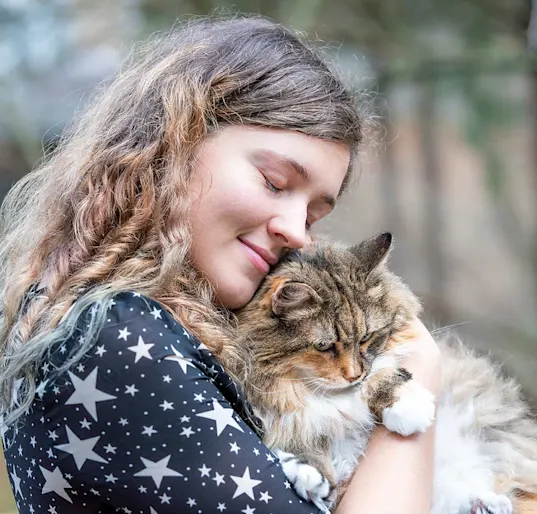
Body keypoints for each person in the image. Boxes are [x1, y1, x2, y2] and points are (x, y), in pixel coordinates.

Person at [0, 16, 443, 514]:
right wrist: (416, 372)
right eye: (275, 182)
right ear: (176, 143)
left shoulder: (131, 324)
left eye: (315, 214)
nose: (297, 231)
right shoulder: (118, 336)